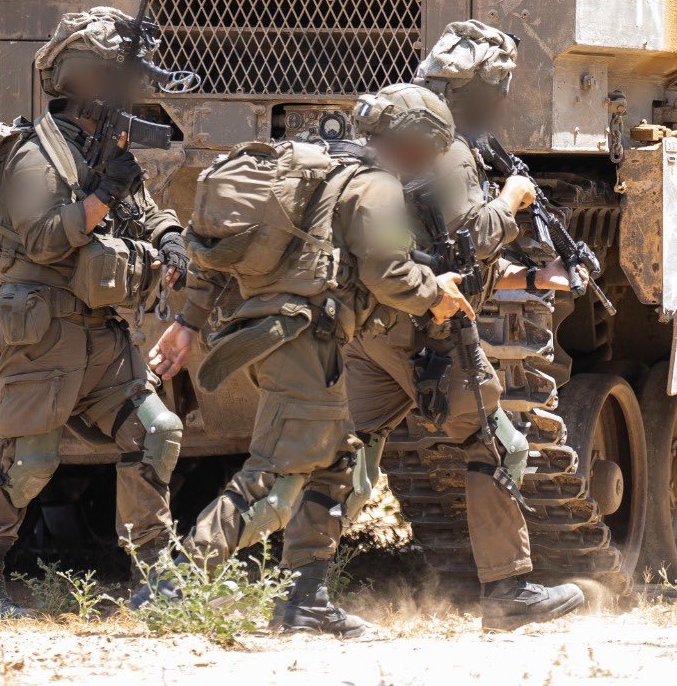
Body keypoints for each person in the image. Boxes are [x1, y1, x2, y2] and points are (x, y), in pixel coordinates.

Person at [142, 83, 478, 636]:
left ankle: (306, 600)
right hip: (306, 340)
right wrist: (434, 293)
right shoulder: (376, 185)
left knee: (336, 462)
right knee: (275, 473)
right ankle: (173, 584)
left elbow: (219, 258)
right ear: (417, 143)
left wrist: (188, 323)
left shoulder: (326, 168)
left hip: (289, 336)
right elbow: (388, 272)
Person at [325, 20, 584, 633]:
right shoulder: (450, 148)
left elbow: (424, 240)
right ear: (483, 92)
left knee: (345, 453)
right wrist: (513, 199)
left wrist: (523, 272)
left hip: (369, 325)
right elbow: (472, 238)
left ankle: (296, 584)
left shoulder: (385, 135)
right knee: (496, 444)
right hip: (427, 333)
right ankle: (508, 591)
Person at [0, 8, 188, 618]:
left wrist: (169, 238)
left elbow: (146, 210)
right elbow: (42, 240)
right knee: (27, 459)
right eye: (113, 77)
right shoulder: (35, 155)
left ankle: (154, 577)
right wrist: (102, 193)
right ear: (83, 79)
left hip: (102, 335)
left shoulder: (104, 148)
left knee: (155, 431)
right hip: (45, 331)